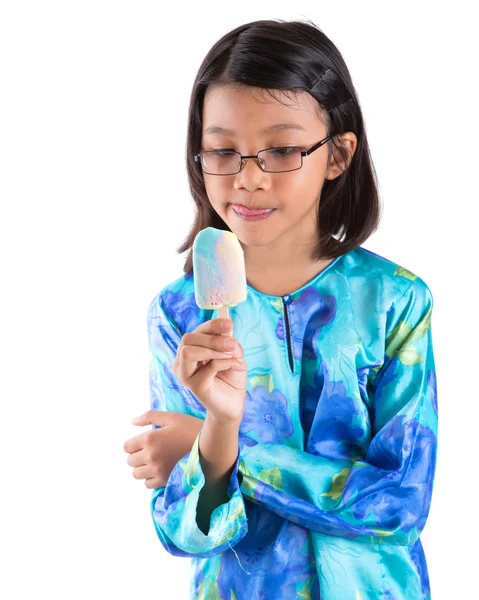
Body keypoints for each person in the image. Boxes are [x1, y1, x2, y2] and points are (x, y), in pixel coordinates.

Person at [123, 18, 438, 600]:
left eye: (282, 150)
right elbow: (182, 533)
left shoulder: (394, 300)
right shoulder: (178, 314)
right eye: (224, 151)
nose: (247, 179)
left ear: (338, 154)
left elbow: (398, 503)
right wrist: (215, 423)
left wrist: (227, 453)